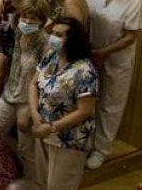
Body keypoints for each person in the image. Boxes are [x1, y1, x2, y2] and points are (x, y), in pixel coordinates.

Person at [85, 0, 142, 169]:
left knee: (110, 106)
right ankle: (86, 143)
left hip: (116, 60)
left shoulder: (134, 2)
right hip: (90, 54)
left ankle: (101, 150)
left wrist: (104, 52)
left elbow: (131, 37)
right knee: (86, 100)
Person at [29, 17, 98, 190]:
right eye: (52, 33)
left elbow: (85, 110)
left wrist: (52, 127)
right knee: (43, 182)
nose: (52, 37)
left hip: (68, 138)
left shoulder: (85, 70)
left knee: (60, 186)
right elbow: (33, 84)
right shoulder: (51, 56)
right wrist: (35, 114)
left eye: (59, 35)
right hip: (43, 129)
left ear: (72, 40)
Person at [0, 0, 49, 179]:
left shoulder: (45, 43)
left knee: (27, 148)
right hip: (10, 93)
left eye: (33, 18)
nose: (27, 21)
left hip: (28, 99)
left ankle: (34, 183)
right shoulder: (18, 32)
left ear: (41, 20)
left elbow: (43, 80)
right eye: (24, 16)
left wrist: (31, 111)